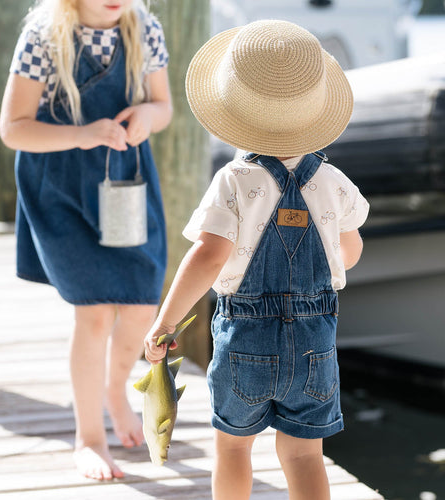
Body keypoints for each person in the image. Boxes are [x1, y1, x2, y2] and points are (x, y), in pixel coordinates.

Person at [144, 20, 369, 500]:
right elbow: (350, 251)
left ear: (233, 111)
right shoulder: (331, 181)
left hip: (246, 336)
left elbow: (208, 257)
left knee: (231, 450)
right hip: (314, 339)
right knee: (305, 455)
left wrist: (165, 323)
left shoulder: (235, 180)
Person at [0, 0, 172, 481]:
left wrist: (146, 115)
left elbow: (164, 106)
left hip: (125, 185)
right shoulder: (43, 33)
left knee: (141, 303)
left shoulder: (144, 27)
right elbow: (13, 129)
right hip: (61, 190)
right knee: (94, 311)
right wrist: (82, 134)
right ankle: (89, 437)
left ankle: (116, 389)